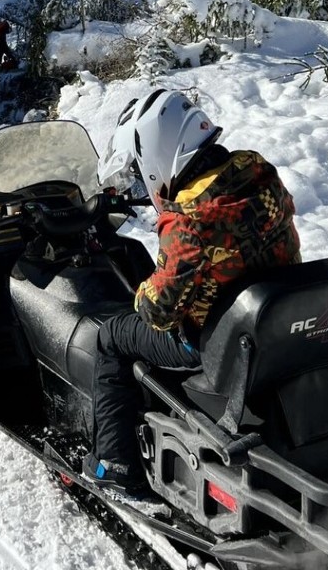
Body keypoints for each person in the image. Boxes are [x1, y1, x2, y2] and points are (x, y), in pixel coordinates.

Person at [83, 88, 301, 500]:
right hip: (277, 315)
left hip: (216, 342)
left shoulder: (190, 218)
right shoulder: (257, 171)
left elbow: (158, 313)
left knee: (111, 337)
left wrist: (145, 288)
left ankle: (115, 466)